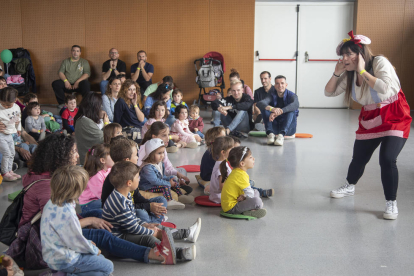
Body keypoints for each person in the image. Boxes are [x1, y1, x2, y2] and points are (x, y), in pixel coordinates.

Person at [6, 134, 161, 269]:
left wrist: (91, 219)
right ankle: (148, 253)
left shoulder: (50, 176)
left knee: (100, 213)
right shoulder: (48, 186)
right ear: (60, 156)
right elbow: (58, 227)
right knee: (101, 234)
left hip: (54, 227)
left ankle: (133, 234)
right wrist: (89, 221)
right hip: (43, 241)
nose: (77, 156)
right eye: (73, 152)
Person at [325, 31, 412, 220]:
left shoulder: (379, 62)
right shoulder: (348, 74)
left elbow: (385, 88)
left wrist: (363, 71)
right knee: (359, 158)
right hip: (370, 116)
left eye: (349, 54)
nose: (345, 58)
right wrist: (337, 72)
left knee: (387, 159)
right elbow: (328, 92)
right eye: (343, 55)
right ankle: (349, 186)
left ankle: (391, 202)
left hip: (393, 114)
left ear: (361, 54)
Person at [103, 161, 200, 264]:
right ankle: (178, 254)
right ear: (129, 183)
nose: (139, 179)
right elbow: (132, 228)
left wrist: (146, 224)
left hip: (126, 230)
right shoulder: (119, 202)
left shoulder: (124, 194)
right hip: (119, 237)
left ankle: (186, 234)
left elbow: (132, 218)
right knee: (149, 238)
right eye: (137, 177)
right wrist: (151, 231)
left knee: (158, 227)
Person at [41, 165, 114, 275]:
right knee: (108, 267)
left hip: (52, 256)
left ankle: (62, 273)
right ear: (75, 190)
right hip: (65, 259)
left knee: (100, 263)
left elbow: (69, 237)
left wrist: (89, 244)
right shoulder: (66, 212)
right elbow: (75, 242)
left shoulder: (52, 202)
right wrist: (93, 249)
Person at [100, 137, 168, 224]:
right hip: (122, 213)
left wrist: (151, 205)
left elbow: (137, 197)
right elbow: (125, 207)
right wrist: (149, 207)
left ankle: (152, 222)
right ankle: (152, 223)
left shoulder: (131, 172)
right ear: (127, 160)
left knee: (161, 200)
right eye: (136, 155)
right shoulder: (116, 178)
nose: (137, 158)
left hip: (133, 206)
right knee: (141, 213)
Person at [209, 137, 273, 203]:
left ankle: (255, 189)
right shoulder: (221, 166)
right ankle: (261, 192)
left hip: (218, 196)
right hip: (220, 198)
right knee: (249, 188)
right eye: (231, 149)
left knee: (245, 183)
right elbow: (222, 187)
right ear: (223, 152)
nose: (233, 150)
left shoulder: (221, 163)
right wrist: (237, 194)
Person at [139, 139, 194, 209]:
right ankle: (169, 202)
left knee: (173, 180)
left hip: (156, 184)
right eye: (159, 153)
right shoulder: (147, 167)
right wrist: (168, 183)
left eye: (163, 153)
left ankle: (180, 196)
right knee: (166, 186)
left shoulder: (160, 163)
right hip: (148, 187)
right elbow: (154, 181)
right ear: (151, 154)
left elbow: (162, 176)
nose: (162, 155)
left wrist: (169, 179)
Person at [139, 122, 192, 194]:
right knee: (172, 178)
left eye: (168, 135)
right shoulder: (145, 148)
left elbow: (168, 167)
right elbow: (138, 170)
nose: (168, 138)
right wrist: (168, 182)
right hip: (149, 182)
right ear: (154, 137)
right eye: (164, 135)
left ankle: (177, 186)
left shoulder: (161, 147)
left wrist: (178, 174)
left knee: (181, 171)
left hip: (160, 175)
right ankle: (173, 189)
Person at [221, 146, 267, 218]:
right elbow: (250, 195)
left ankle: (250, 209)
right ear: (242, 163)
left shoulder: (238, 172)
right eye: (250, 157)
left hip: (235, 202)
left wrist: (244, 196)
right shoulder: (240, 175)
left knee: (256, 191)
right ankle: (250, 211)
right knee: (257, 202)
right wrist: (245, 196)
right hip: (231, 208)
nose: (253, 159)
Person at [257, 75, 299, 146]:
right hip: (274, 128)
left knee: (291, 109)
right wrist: (272, 109)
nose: (280, 85)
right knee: (265, 107)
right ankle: (270, 134)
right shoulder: (272, 94)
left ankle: (281, 136)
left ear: (286, 85)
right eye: (277, 83)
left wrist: (280, 111)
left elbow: (296, 104)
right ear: (275, 86)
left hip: (288, 129)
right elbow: (260, 103)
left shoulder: (292, 95)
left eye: (282, 83)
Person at [74, 93, 109, 164]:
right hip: (91, 162)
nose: (100, 108)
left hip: (92, 159)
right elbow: (103, 138)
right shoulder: (84, 121)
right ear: (94, 106)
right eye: (99, 106)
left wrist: (101, 120)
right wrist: (106, 124)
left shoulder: (83, 118)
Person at [79, 144, 114, 213]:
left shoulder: (109, 169)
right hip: (89, 204)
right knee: (113, 204)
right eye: (112, 155)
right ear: (103, 160)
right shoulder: (96, 176)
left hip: (99, 199)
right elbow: (102, 196)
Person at [0, 87, 22, 181]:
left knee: (12, 153)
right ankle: (4, 172)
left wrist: (18, 128)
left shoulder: (16, 107)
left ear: (15, 100)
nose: (6, 106)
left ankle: (10, 171)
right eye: (3, 104)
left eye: (9, 105)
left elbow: (17, 118)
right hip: (1, 134)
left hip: (9, 134)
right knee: (7, 153)